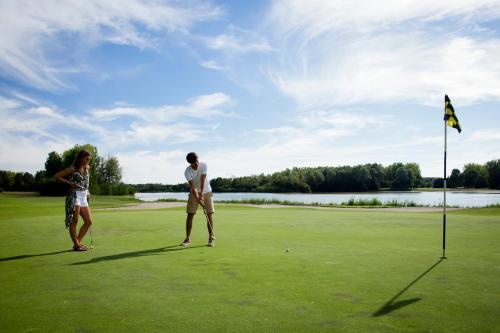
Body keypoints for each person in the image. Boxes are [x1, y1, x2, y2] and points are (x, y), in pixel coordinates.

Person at [54, 150, 93, 251]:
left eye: (89, 159)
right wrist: (69, 183)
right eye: (87, 159)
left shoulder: (87, 168)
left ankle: (77, 244)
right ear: (81, 158)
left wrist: (88, 191)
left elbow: (85, 182)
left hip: (84, 196)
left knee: (88, 222)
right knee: (74, 221)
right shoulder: (73, 168)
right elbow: (57, 176)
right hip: (74, 196)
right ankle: (77, 244)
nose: (88, 161)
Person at [182, 152, 215, 247]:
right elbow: (193, 187)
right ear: (189, 163)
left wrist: (201, 194)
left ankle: (211, 238)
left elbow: (203, 180)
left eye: (197, 161)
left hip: (207, 191)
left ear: (198, 159)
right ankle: (187, 238)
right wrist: (199, 199)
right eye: (193, 162)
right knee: (190, 214)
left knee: (209, 215)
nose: (196, 164)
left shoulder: (204, 165)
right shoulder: (187, 172)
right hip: (194, 193)